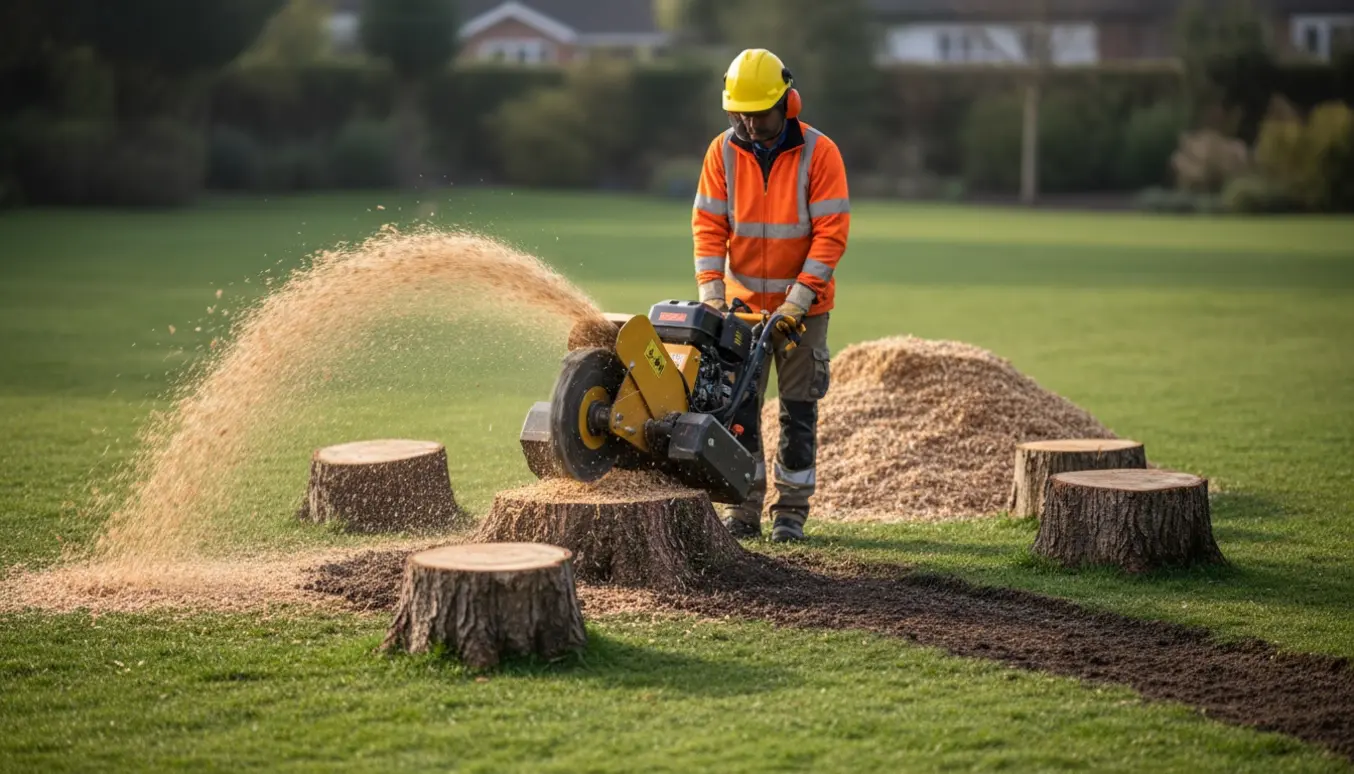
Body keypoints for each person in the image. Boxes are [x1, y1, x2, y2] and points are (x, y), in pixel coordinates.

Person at [691, 48, 851, 543]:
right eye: (739, 113)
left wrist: (797, 302)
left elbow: (831, 235)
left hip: (804, 310)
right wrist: (713, 298)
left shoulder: (819, 153)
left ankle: (792, 513)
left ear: (785, 103)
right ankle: (744, 508)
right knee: (739, 413)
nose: (748, 123)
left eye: (758, 114)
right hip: (739, 310)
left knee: (798, 412)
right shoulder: (722, 152)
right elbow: (708, 226)